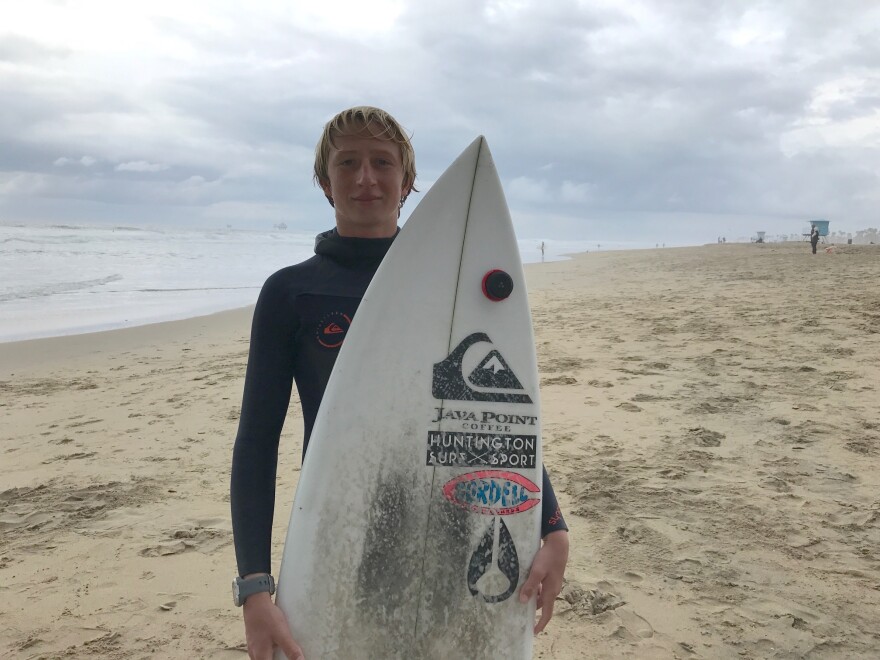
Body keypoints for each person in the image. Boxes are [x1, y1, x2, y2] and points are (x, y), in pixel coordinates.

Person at [230, 106, 570, 660]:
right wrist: (254, 588)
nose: (366, 178)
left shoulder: (452, 291)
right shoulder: (291, 294)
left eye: (382, 162)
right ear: (324, 182)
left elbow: (493, 413)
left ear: (409, 182)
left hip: (455, 527)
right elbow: (256, 442)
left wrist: (553, 525)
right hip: (347, 523)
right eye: (348, 163)